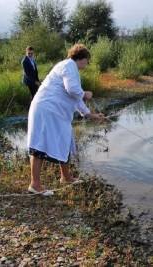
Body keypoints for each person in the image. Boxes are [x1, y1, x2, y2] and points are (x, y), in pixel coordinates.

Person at [27, 44, 104, 195]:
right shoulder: (69, 66)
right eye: (87, 61)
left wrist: (90, 114)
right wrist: (85, 93)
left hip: (56, 113)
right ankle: (35, 185)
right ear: (81, 58)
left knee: (66, 139)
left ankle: (66, 177)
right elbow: (73, 90)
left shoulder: (70, 68)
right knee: (39, 145)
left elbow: (74, 97)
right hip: (46, 110)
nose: (87, 64)